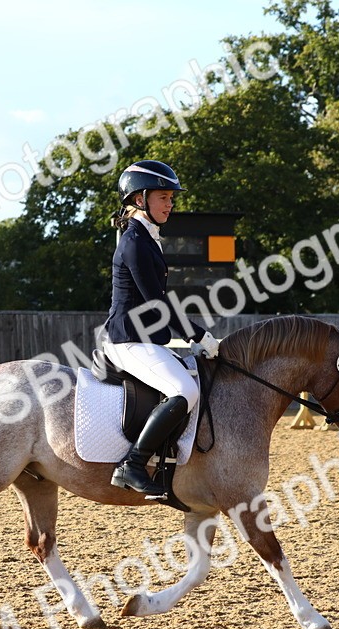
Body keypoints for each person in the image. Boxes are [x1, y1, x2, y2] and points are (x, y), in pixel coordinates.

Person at [102, 160, 220, 497]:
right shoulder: (135, 241)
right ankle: (133, 464)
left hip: (145, 339)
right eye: (164, 198)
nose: (171, 204)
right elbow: (157, 302)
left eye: (171, 198)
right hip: (128, 340)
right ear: (140, 200)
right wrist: (196, 334)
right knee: (185, 391)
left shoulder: (145, 237)